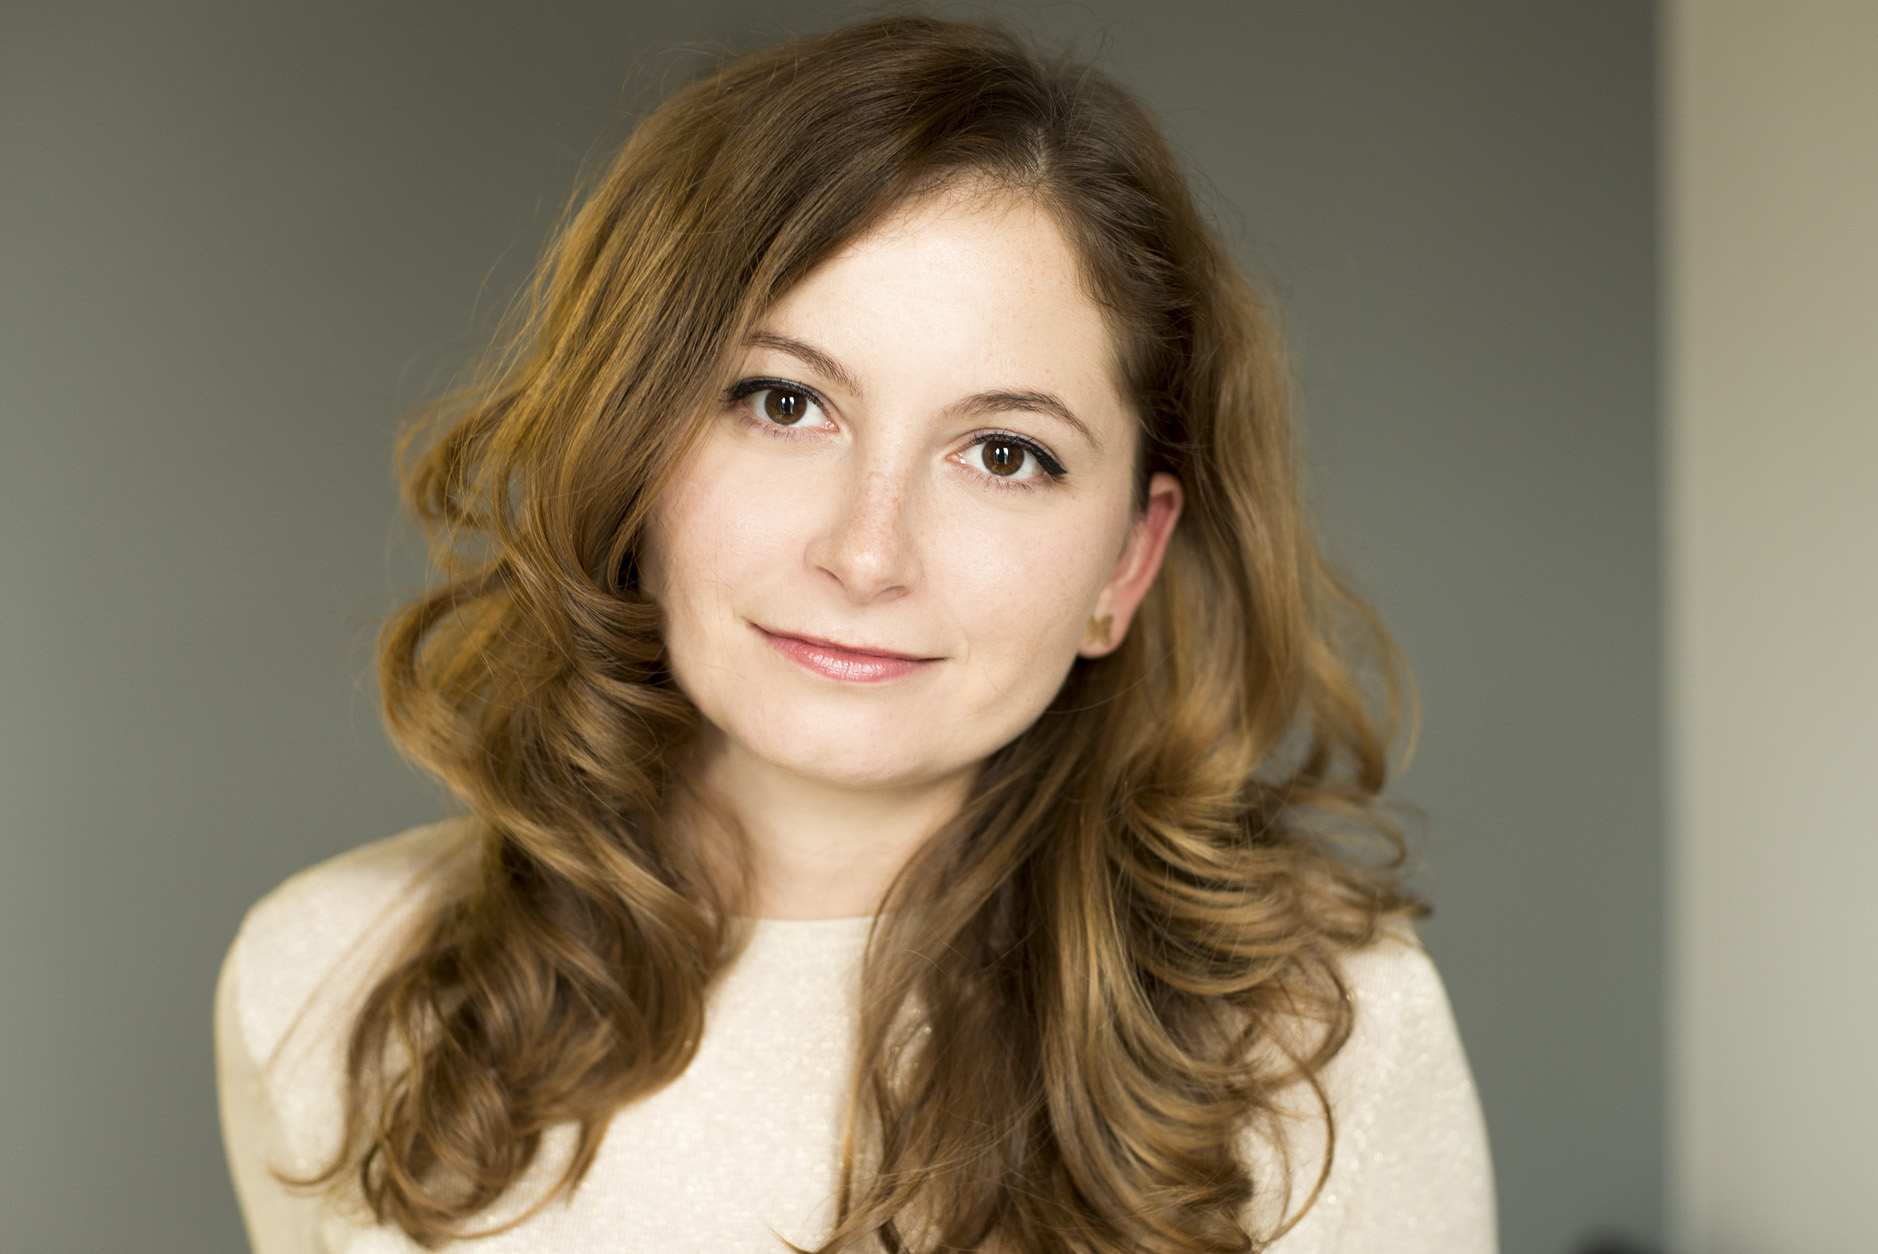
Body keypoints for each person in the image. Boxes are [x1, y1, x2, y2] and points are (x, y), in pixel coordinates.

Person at [215, 14, 1494, 1253]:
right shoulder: (328, 978)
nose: (868, 553)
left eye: (1006, 453)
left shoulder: (1319, 1036)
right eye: (784, 402)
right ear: (630, 450)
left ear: (1128, 559)